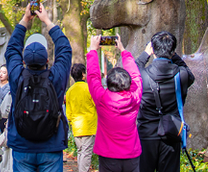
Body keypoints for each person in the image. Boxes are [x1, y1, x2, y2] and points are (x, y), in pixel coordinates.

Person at [5, 2, 72, 172]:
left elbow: (12, 49)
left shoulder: (16, 77)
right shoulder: (56, 77)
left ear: (24, 61)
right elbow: (64, 49)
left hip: (22, 145)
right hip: (51, 145)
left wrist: (25, 19)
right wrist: (48, 21)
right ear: (47, 61)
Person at [135, 31, 194, 172]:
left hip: (146, 135)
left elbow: (133, 69)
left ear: (153, 50)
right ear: (173, 51)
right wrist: (173, 54)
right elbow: (190, 74)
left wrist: (145, 54)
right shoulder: (181, 75)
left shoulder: (142, 75)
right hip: (171, 134)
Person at [86, 36, 142, 172]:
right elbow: (136, 76)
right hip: (131, 154)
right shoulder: (135, 98)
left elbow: (93, 76)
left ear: (109, 84)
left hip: (108, 155)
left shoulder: (101, 98)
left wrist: (93, 50)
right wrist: (123, 50)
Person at [65, 63, 97, 172]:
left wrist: (71, 121)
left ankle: (82, 170)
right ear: (83, 75)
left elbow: (68, 112)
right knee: (86, 153)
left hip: (76, 126)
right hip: (89, 126)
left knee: (80, 151)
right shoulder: (89, 88)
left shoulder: (70, 91)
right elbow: (96, 104)